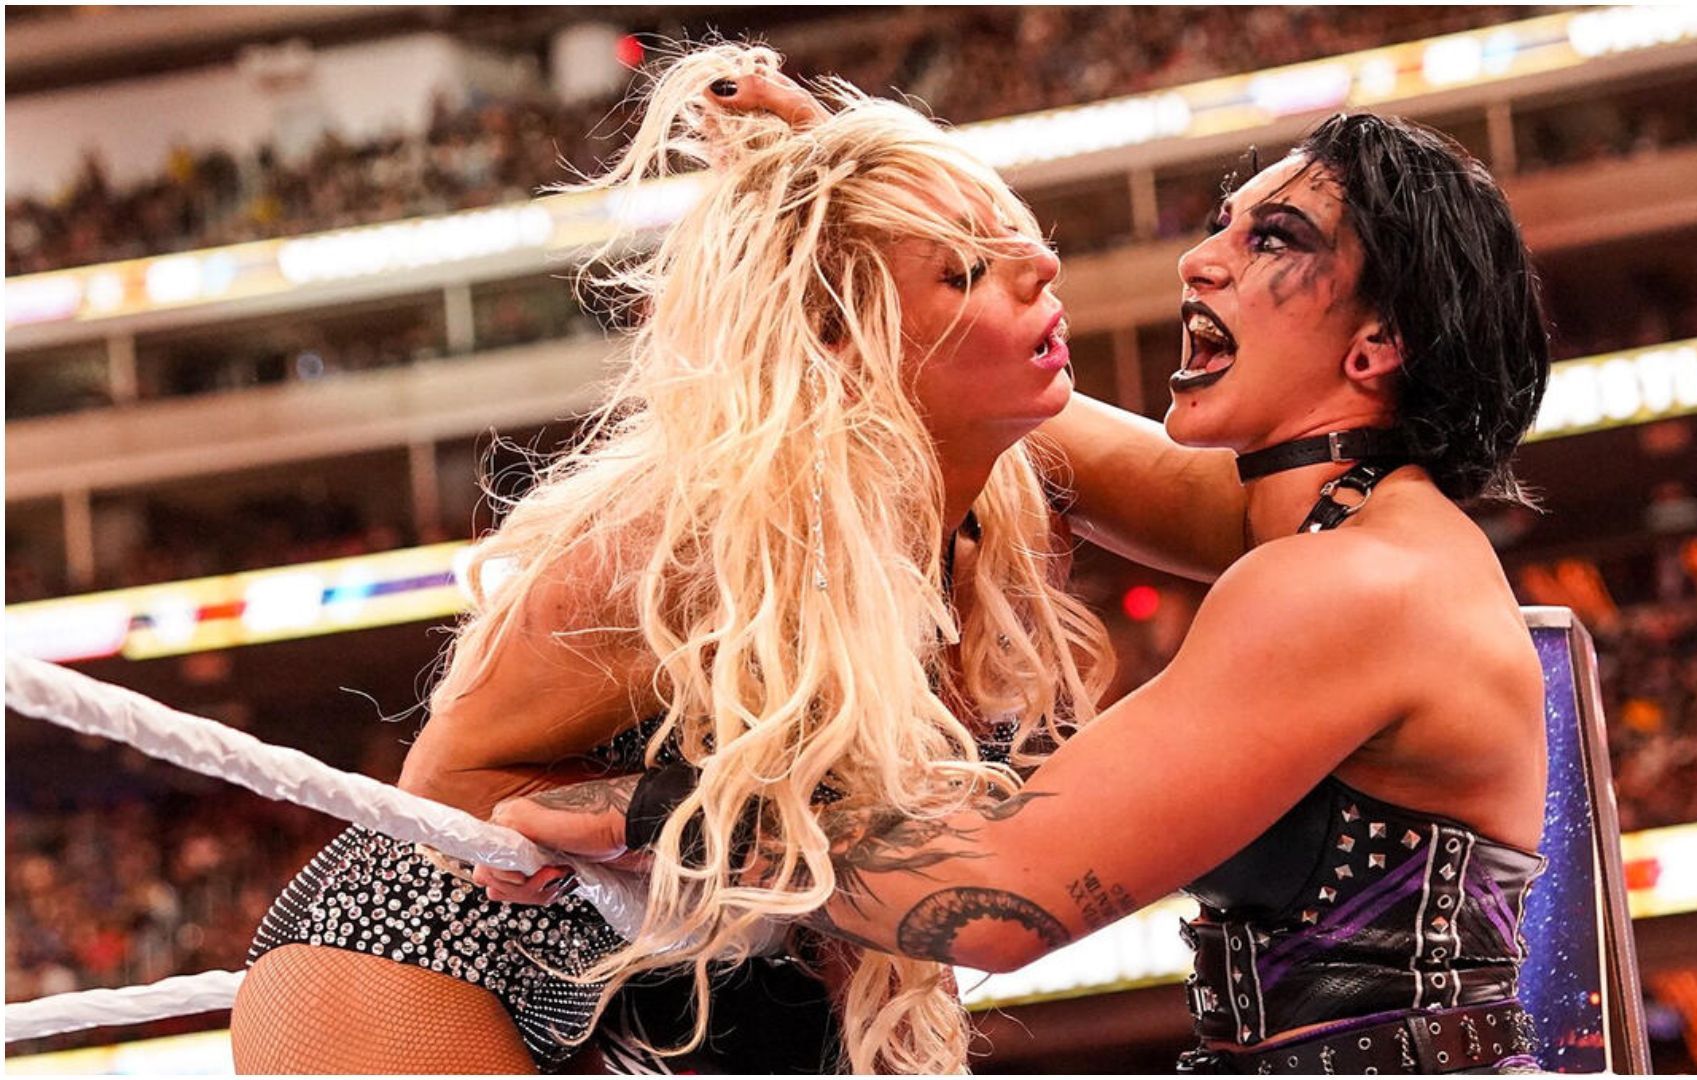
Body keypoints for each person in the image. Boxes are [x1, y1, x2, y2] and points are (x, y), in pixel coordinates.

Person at [482, 88, 1556, 1076]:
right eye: (1222, 219)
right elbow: (973, 377)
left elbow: (997, 898)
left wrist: (661, 808)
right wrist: (855, 205)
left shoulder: (1353, 582)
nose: (1200, 259)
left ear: (1377, 344)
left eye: (1272, 238)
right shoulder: (1350, 534)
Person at [228, 43, 1123, 1075]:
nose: (1041, 268)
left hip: (705, 981)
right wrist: (629, 819)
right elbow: (444, 797)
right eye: (964, 267)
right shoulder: (695, 539)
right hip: (437, 960)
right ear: (840, 336)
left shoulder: (978, 515)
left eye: (1017, 242)